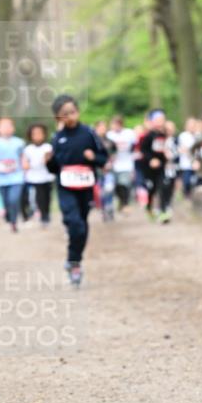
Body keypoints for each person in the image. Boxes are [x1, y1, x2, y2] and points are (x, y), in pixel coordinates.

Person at [46, 94, 108, 285]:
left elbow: (103, 158)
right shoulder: (57, 138)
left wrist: (93, 157)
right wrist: (48, 161)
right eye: (65, 113)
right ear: (58, 117)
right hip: (66, 188)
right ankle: (74, 264)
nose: (70, 116)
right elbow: (53, 169)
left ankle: (74, 261)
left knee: (81, 226)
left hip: (86, 187)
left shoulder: (89, 133)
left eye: (72, 111)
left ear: (78, 111)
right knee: (75, 223)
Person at [0, 117, 25, 232]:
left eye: (9, 126)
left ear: (13, 128)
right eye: (3, 126)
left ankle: (14, 222)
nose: (6, 129)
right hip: (1, 178)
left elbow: (23, 156)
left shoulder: (19, 142)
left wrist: (25, 164)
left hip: (16, 177)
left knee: (14, 199)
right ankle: (8, 216)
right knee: (5, 200)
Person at [22, 123, 54, 227]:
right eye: (34, 134)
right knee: (39, 198)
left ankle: (46, 214)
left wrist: (47, 159)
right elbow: (25, 163)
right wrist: (27, 165)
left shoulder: (48, 147)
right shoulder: (28, 149)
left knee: (47, 198)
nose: (37, 136)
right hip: (34, 178)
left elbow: (50, 161)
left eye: (39, 133)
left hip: (47, 177)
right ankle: (43, 216)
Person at [140, 110, 168, 221]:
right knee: (152, 189)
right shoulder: (148, 136)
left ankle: (163, 211)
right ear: (153, 121)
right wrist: (151, 159)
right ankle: (149, 207)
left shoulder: (163, 135)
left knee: (163, 187)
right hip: (149, 168)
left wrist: (165, 156)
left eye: (162, 120)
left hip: (161, 167)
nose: (161, 122)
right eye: (158, 120)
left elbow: (162, 150)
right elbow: (143, 150)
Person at [107, 115, 135, 214]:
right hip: (113, 165)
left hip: (126, 164)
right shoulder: (109, 135)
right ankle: (121, 201)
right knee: (116, 186)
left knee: (124, 184)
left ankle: (125, 203)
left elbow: (134, 147)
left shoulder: (129, 133)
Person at [177, 117, 199, 197]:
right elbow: (183, 149)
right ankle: (186, 195)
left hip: (197, 163)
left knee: (196, 182)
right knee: (187, 182)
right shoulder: (183, 136)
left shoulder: (198, 135)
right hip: (186, 164)